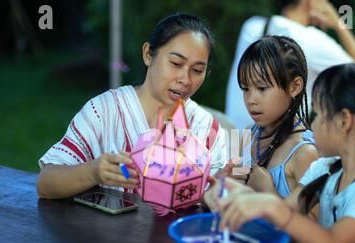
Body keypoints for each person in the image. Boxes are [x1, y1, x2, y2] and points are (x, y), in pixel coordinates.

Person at [205, 64, 355, 243]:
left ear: (344, 121)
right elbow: (286, 212)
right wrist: (239, 195)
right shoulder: (324, 168)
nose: (312, 124)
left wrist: (269, 205)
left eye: (318, 113)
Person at [37, 13, 228, 199]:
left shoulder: (204, 128)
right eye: (176, 63)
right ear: (148, 54)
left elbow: (223, 194)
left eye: (197, 70)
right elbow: (46, 183)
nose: (185, 79)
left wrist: (215, 193)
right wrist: (93, 171)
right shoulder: (105, 111)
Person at [225, 0, 355, 130]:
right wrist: (339, 25)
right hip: (280, 146)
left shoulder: (252, 26)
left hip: (234, 139)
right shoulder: (310, 40)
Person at [233, 35, 318, 198]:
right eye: (245, 89)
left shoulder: (306, 153)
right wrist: (225, 182)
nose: (251, 100)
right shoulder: (245, 136)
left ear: (294, 86)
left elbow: (316, 222)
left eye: (262, 88)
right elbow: (233, 195)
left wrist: (268, 192)